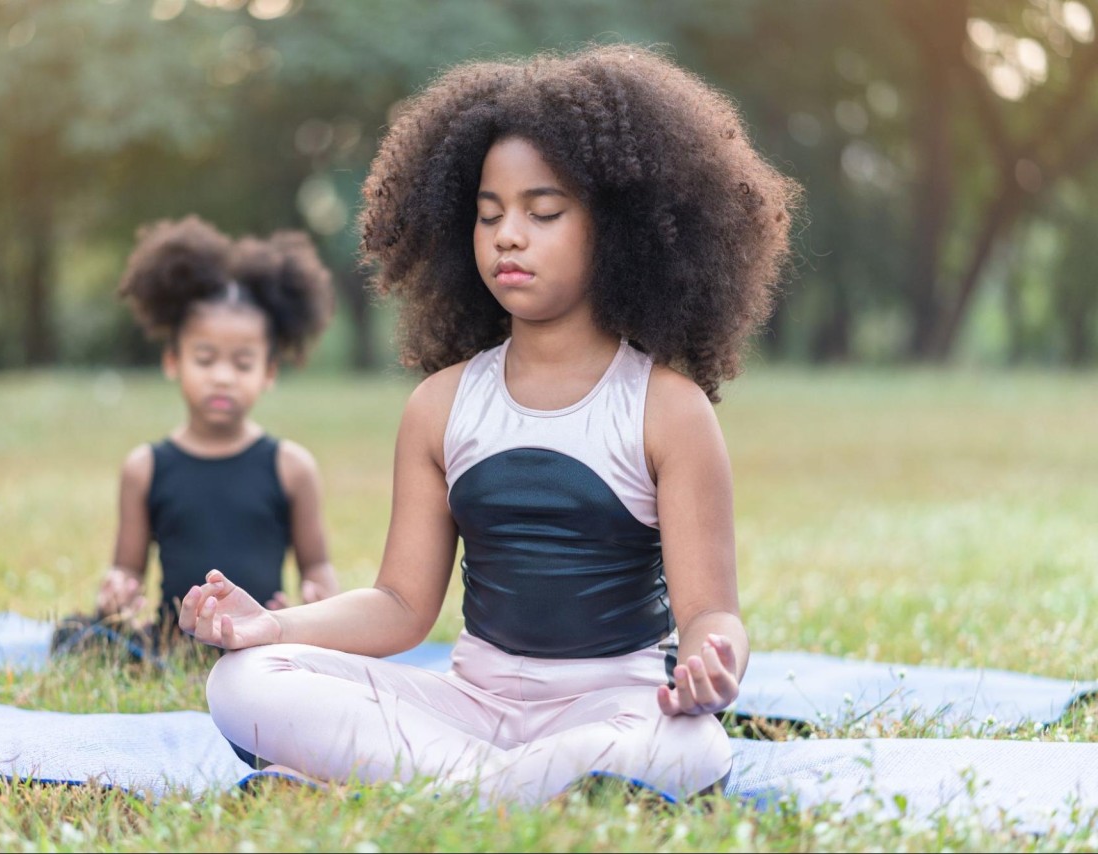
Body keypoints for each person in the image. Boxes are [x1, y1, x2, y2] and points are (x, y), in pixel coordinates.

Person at [179, 45, 800, 804]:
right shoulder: (440, 405)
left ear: (621, 229)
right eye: (487, 214)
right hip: (466, 709)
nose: (508, 235)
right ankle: (508, 789)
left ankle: (442, 787)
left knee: (689, 746)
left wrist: (713, 664)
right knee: (244, 683)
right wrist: (270, 628)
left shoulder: (669, 408)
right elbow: (403, 607)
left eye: (543, 213)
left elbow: (710, 613)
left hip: (614, 707)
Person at [90, 215, 340, 648]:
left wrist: (315, 599)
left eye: (242, 364)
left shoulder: (292, 468)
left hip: (264, 643)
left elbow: (316, 567)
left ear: (268, 372)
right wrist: (118, 590)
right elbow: (128, 570)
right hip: (173, 646)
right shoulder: (145, 469)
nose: (223, 377)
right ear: (173, 362)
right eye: (205, 359)